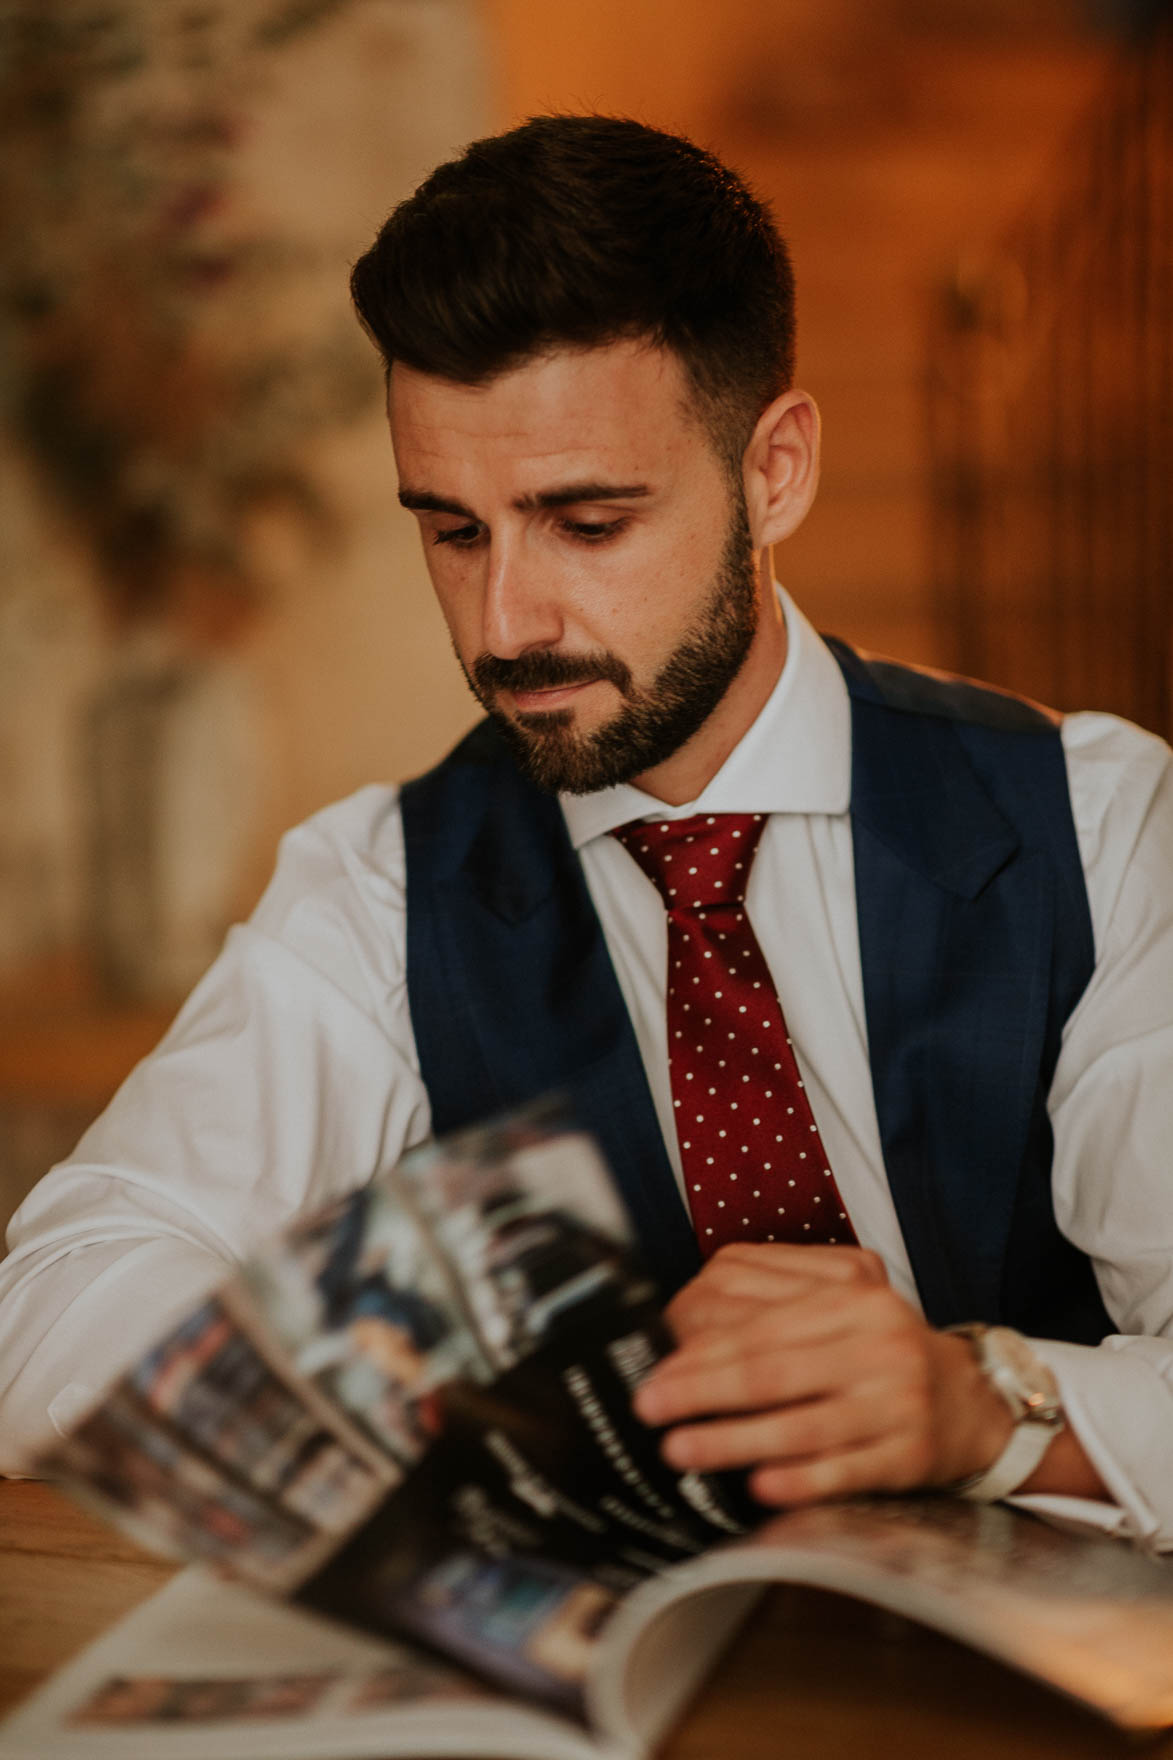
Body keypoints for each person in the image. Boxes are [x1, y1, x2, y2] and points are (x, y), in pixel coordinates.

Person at [1, 117, 1171, 1546]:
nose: (505, 626)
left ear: (775, 472)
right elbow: (58, 1295)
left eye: (586, 522)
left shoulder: (1094, 825)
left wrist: (984, 1408)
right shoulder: (381, 884)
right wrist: (428, 1383)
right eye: (451, 529)